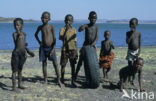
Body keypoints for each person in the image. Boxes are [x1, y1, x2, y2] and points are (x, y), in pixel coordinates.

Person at [35, 11, 62, 87]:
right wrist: (39, 42)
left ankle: (58, 80)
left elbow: (54, 38)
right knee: (44, 63)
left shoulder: (51, 27)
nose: (44, 19)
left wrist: (53, 48)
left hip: (51, 48)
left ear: (49, 19)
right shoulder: (40, 27)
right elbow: (35, 34)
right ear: (41, 18)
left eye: (46, 18)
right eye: (43, 18)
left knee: (55, 64)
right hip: (43, 48)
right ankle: (45, 80)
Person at [75, 11, 98, 80]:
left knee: (92, 62)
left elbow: (97, 37)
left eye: (95, 18)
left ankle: (90, 76)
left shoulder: (96, 27)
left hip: (92, 46)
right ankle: (75, 75)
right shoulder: (86, 26)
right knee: (80, 61)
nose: (93, 20)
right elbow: (79, 30)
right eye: (92, 18)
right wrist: (81, 27)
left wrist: (94, 43)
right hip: (85, 46)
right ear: (89, 18)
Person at [59, 14, 78, 87]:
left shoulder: (74, 30)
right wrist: (66, 30)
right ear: (64, 21)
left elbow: (75, 41)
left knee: (73, 66)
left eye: (69, 20)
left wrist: (76, 51)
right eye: (66, 20)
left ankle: (73, 80)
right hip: (64, 50)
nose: (67, 21)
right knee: (63, 65)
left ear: (72, 21)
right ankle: (62, 79)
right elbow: (61, 38)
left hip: (72, 50)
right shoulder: (62, 29)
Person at [11, 18, 28, 91]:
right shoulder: (14, 34)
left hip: (22, 54)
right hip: (16, 54)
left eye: (18, 25)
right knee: (14, 70)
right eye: (15, 25)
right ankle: (14, 87)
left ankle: (19, 84)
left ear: (22, 25)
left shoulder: (24, 34)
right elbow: (16, 41)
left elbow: (23, 44)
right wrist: (18, 34)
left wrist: (26, 51)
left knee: (20, 70)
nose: (16, 27)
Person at [126, 18, 141, 83]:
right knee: (130, 65)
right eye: (130, 24)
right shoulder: (128, 33)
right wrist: (131, 34)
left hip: (136, 51)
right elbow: (127, 42)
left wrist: (139, 51)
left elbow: (139, 43)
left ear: (136, 24)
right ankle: (129, 78)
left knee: (135, 66)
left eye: (132, 24)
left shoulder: (138, 33)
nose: (131, 25)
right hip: (130, 51)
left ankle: (133, 79)